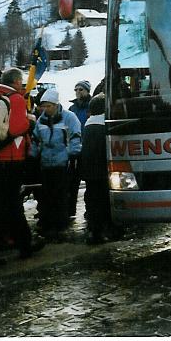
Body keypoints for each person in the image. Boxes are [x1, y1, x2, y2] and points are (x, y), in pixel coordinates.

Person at [0, 67, 43, 267]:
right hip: (12, 160)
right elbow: (16, 128)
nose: (22, 85)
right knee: (1, 208)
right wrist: (30, 121)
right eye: (20, 81)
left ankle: (25, 244)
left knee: (12, 205)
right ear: (15, 81)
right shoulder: (16, 99)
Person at [32, 88, 81, 242]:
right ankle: (48, 223)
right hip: (46, 162)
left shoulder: (69, 118)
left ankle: (60, 224)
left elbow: (75, 136)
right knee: (47, 194)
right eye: (43, 106)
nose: (45, 109)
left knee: (61, 194)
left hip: (63, 162)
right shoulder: (41, 120)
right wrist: (32, 154)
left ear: (55, 104)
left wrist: (73, 154)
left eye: (48, 106)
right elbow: (36, 139)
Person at [81, 94, 116, 244]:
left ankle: (93, 231)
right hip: (102, 171)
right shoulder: (104, 126)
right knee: (103, 202)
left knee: (92, 200)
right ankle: (103, 231)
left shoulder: (88, 125)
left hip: (89, 171)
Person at [65, 80, 91, 220]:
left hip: (88, 147)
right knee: (72, 181)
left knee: (90, 181)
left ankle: (90, 209)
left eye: (81, 89)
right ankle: (70, 210)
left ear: (87, 91)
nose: (78, 92)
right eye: (76, 90)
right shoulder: (72, 109)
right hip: (74, 147)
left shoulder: (92, 107)